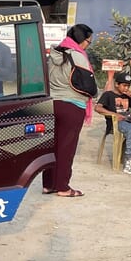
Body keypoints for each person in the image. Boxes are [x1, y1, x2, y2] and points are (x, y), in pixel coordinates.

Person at [41, 23, 95, 198]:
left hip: (51, 104)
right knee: (66, 148)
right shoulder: (78, 57)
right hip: (72, 106)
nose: (88, 45)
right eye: (88, 41)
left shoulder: (54, 55)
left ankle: (48, 185)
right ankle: (63, 187)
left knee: (50, 146)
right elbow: (89, 86)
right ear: (81, 40)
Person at [95, 72, 131, 176]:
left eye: (128, 86)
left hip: (130, 121)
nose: (126, 88)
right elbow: (98, 107)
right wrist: (114, 114)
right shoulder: (108, 95)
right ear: (116, 84)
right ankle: (129, 161)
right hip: (117, 123)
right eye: (124, 85)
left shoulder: (127, 96)